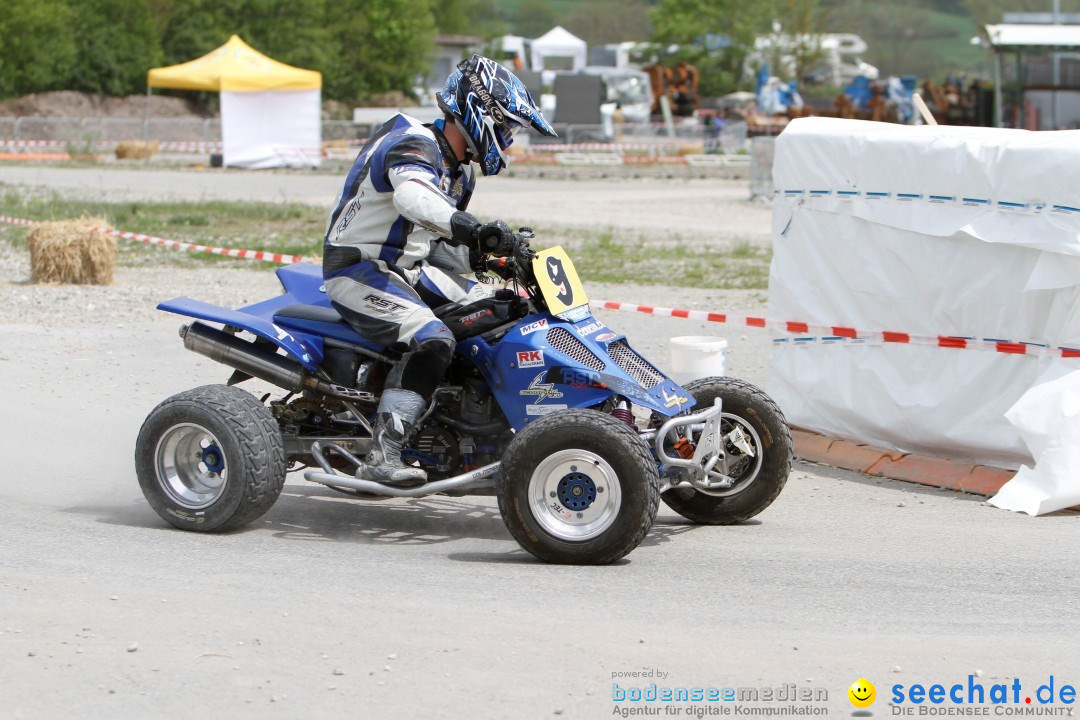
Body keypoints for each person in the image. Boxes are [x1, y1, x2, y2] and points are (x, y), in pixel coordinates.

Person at [322, 55, 557, 485]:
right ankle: (383, 452)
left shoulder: (460, 174)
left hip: (408, 270)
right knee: (434, 339)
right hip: (359, 268)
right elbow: (413, 198)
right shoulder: (412, 142)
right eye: (504, 128)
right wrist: (475, 229)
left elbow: (436, 247)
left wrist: (495, 262)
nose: (505, 141)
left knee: (504, 311)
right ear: (477, 112)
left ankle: (483, 433)